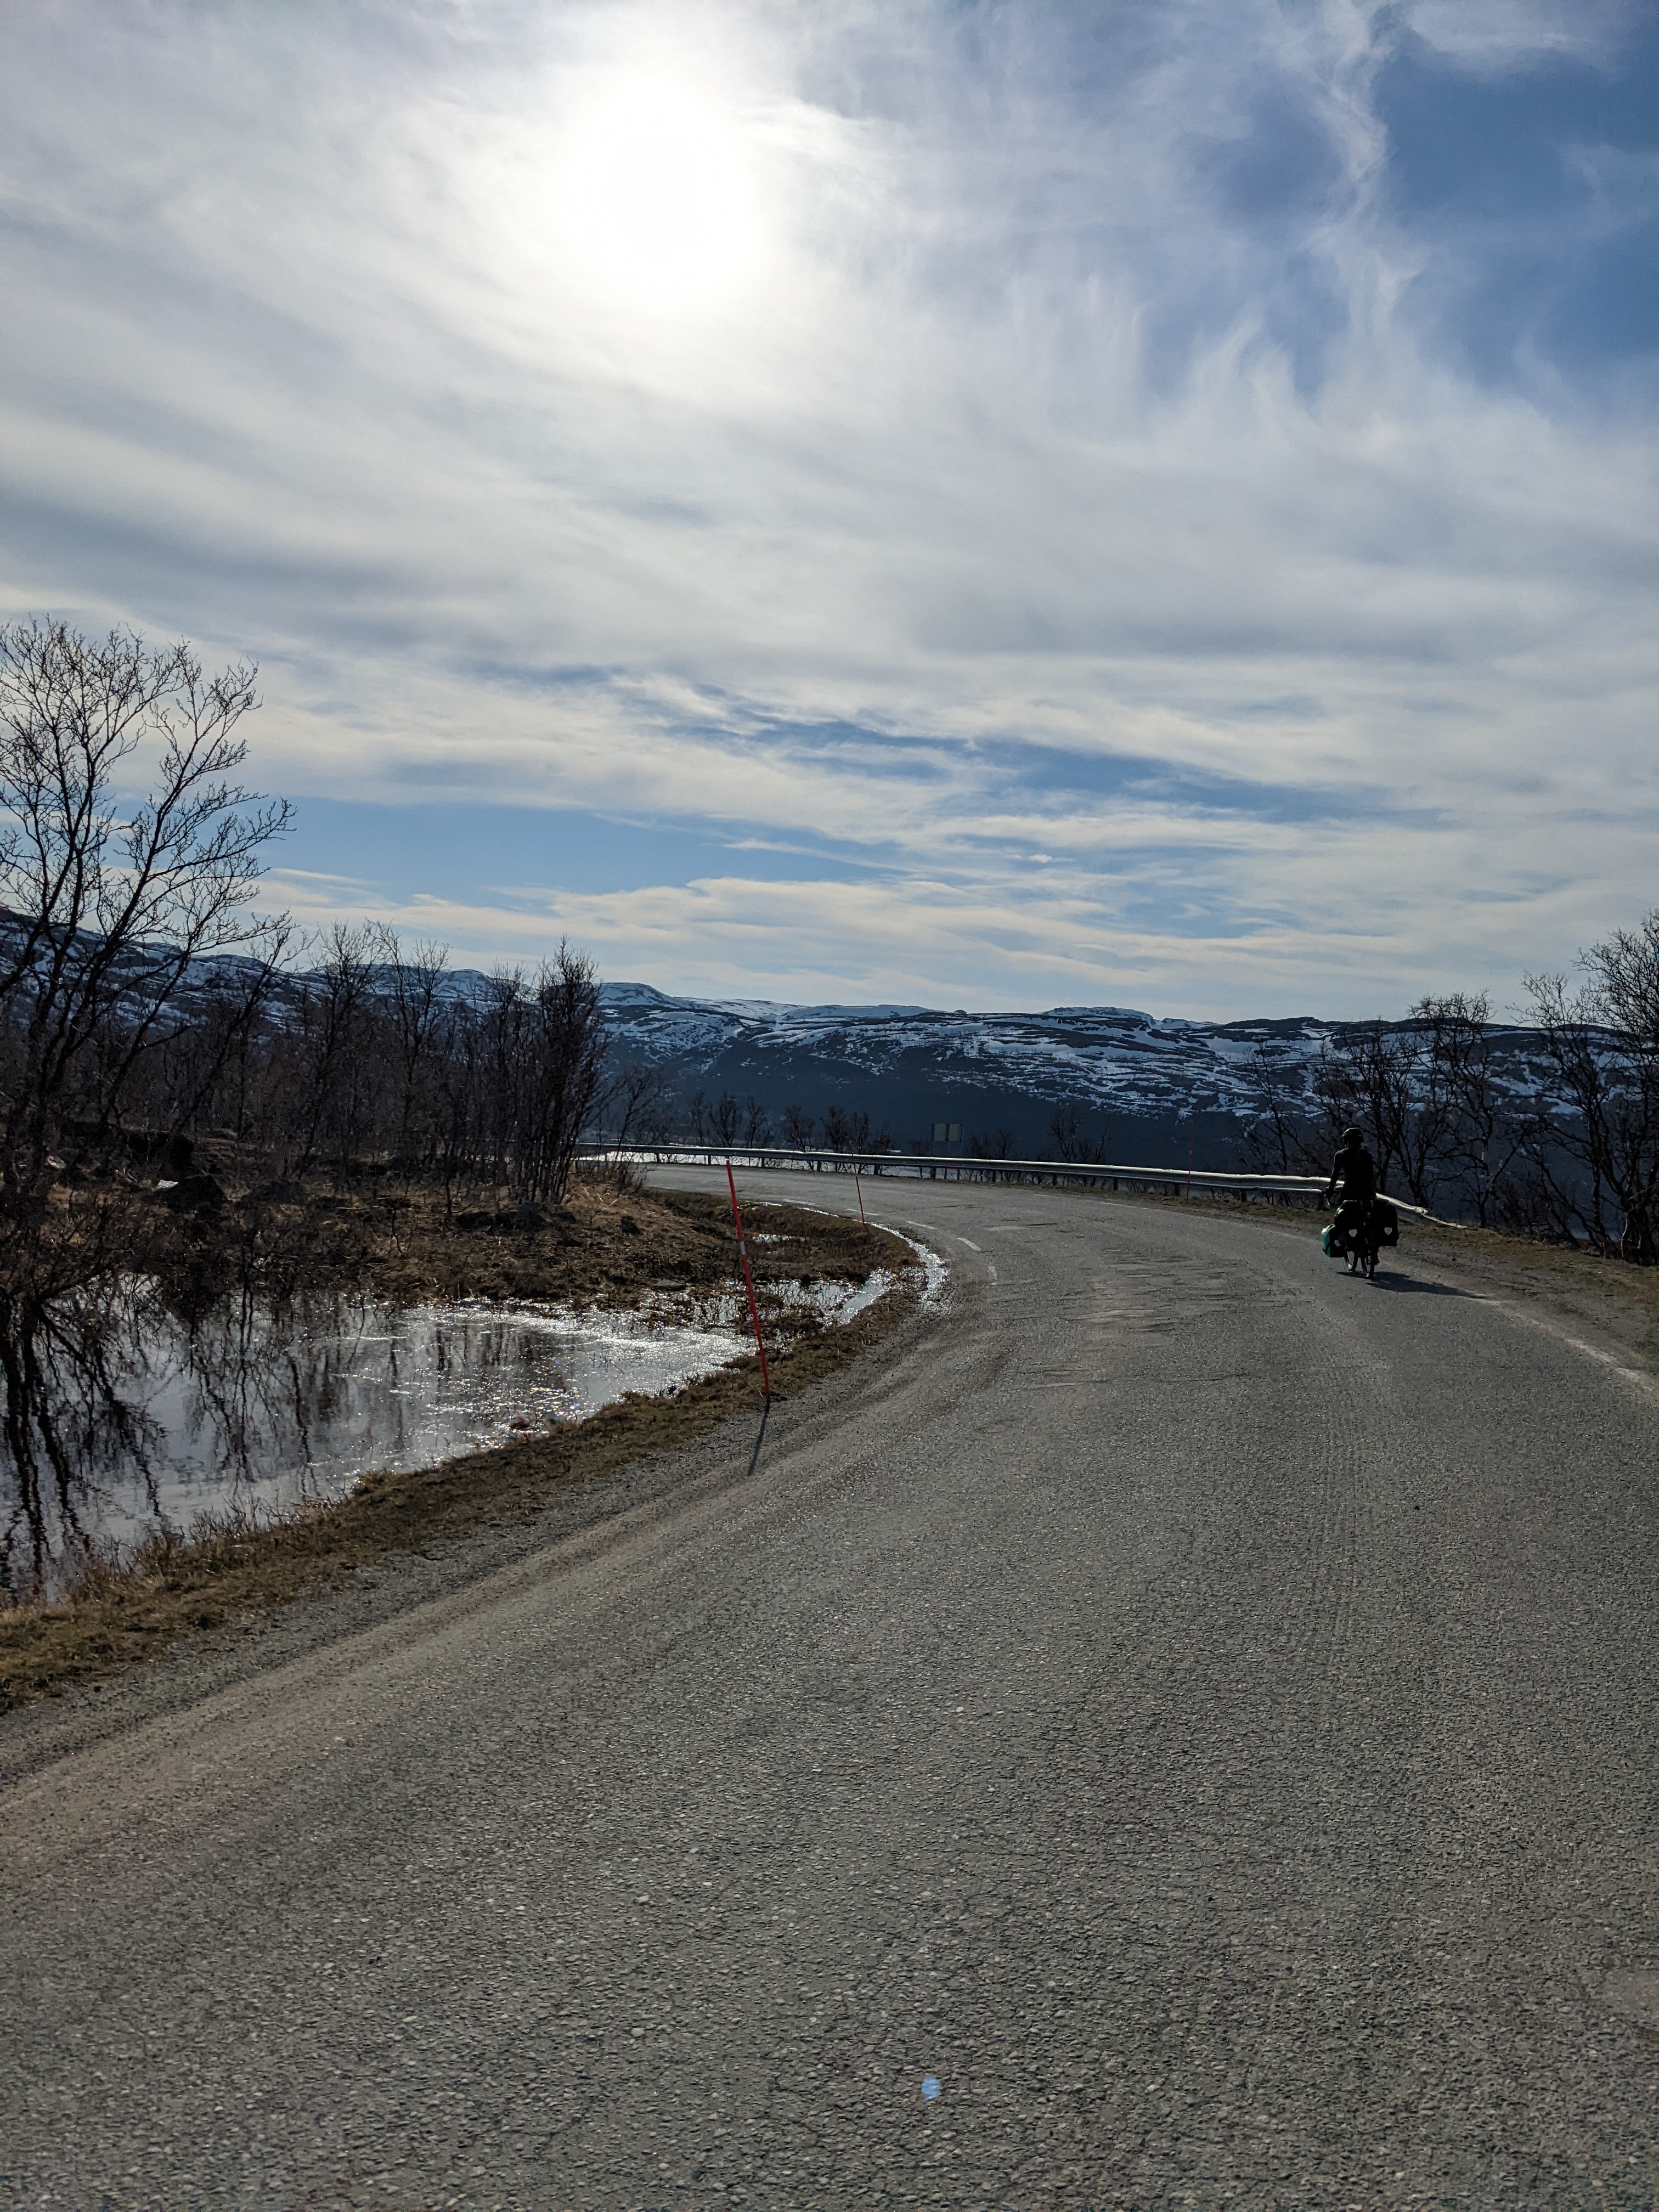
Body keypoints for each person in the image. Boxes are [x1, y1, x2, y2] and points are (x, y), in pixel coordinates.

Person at [1322, 1127, 1376, 1211]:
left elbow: (1335, 1174)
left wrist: (1330, 1189)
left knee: (1343, 1212)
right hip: (1369, 1193)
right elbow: (1371, 1175)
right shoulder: (1368, 1155)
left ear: (1347, 1141)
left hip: (1350, 1192)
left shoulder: (1341, 1155)